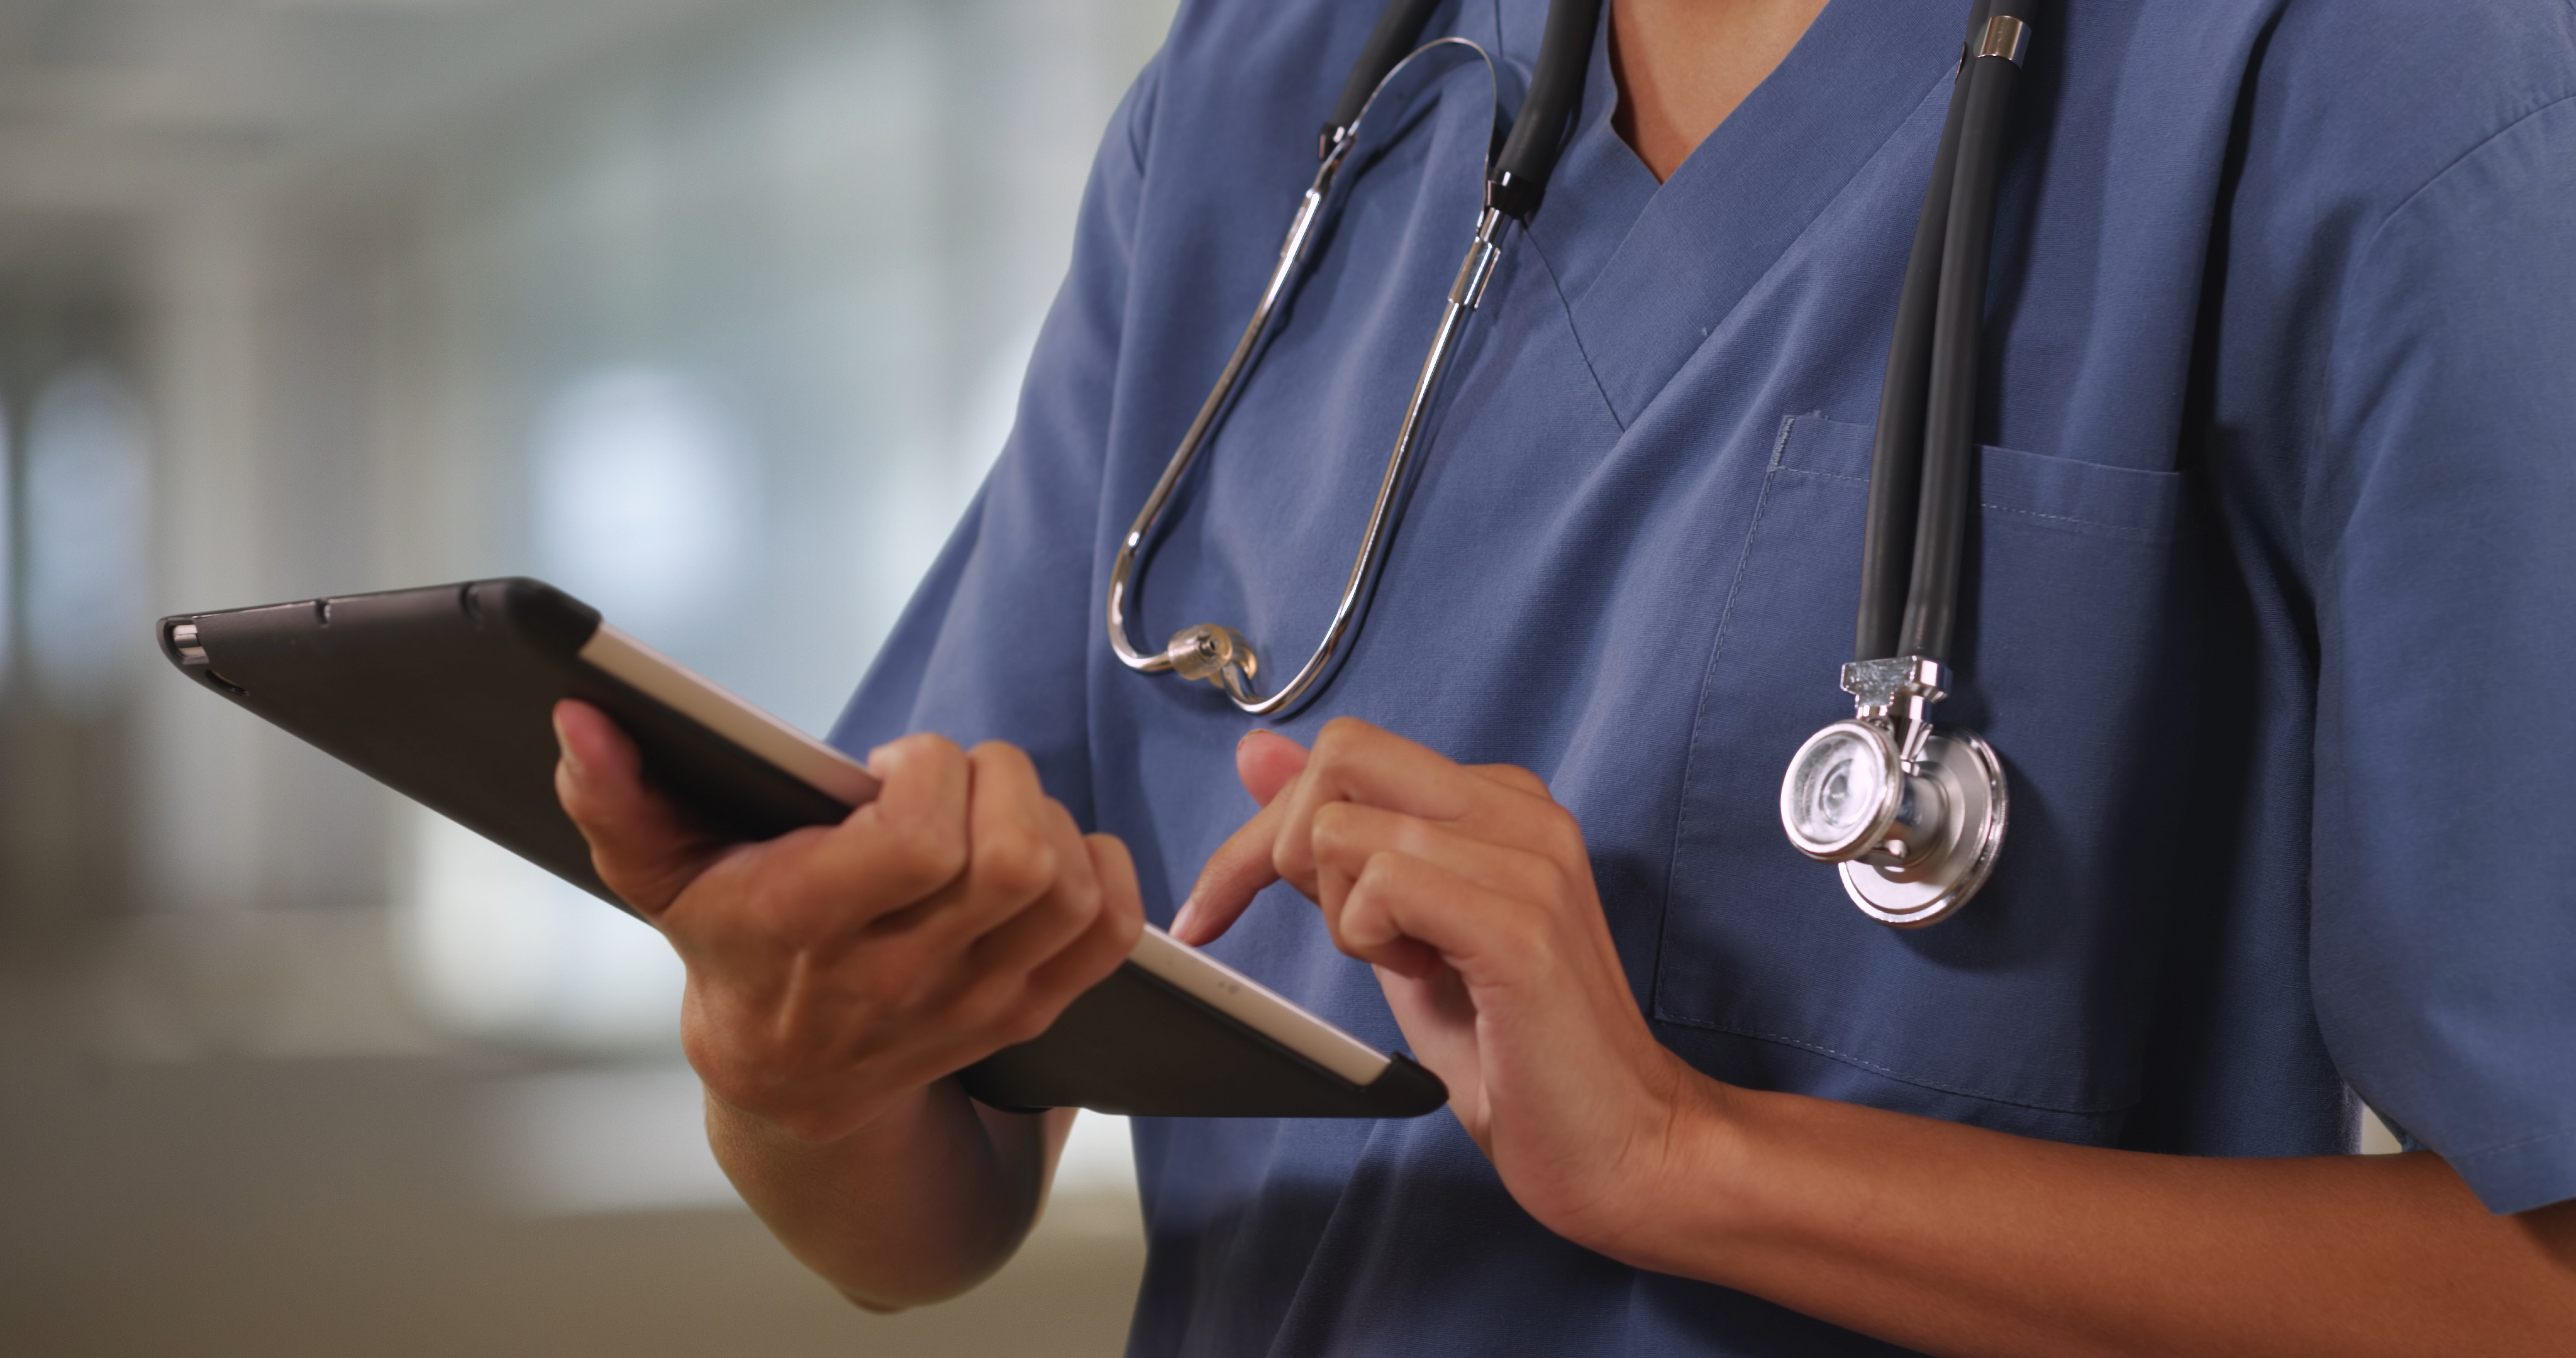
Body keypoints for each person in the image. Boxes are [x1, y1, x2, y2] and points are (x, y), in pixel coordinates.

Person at [552, 0, 2576, 1352]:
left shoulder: (2372, 80)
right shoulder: (1283, 94)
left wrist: (1695, 1162)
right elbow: (935, 1197)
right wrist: (787, 1063)